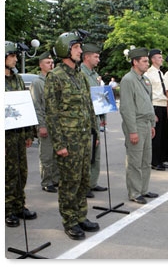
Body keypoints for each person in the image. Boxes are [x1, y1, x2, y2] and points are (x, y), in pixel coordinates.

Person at [44, 30, 100, 240]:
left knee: (83, 180)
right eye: (76, 47)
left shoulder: (80, 75)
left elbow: (88, 106)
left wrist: (94, 133)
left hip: (84, 138)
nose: (80, 51)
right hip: (68, 140)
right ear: (65, 50)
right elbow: (52, 113)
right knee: (69, 182)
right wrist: (59, 144)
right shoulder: (55, 77)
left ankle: (80, 216)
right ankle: (69, 221)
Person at [119, 47, 158, 205]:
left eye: (147, 61)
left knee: (146, 160)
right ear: (135, 62)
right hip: (135, 124)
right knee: (135, 161)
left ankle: (143, 189)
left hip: (146, 123)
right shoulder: (128, 80)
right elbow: (126, 108)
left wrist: (152, 124)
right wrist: (132, 131)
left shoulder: (145, 79)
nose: (147, 63)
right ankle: (134, 192)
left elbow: (149, 103)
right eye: (144, 61)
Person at [5, 41, 37, 227]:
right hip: (6, 136)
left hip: (18, 134)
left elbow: (25, 105)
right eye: (12, 56)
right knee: (8, 173)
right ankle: (7, 209)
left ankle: (19, 205)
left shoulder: (16, 79)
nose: (16, 59)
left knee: (21, 171)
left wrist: (29, 133)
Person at [30, 51, 60, 193]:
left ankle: (55, 179)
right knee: (47, 155)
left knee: (57, 153)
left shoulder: (55, 80)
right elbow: (37, 105)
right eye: (48, 63)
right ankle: (46, 181)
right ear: (41, 65)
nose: (51, 64)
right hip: (46, 123)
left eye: (52, 62)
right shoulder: (37, 83)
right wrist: (41, 126)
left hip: (57, 123)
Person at [80, 43, 108, 198]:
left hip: (96, 117)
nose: (98, 59)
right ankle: (84, 185)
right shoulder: (81, 74)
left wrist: (103, 116)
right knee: (87, 154)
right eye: (96, 56)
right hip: (86, 119)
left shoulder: (94, 74)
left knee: (95, 152)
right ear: (86, 57)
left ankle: (92, 182)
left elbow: (100, 96)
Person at [145, 49, 168, 171]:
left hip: (163, 104)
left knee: (163, 135)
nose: (162, 59)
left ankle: (160, 159)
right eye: (159, 57)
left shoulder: (161, 73)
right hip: (155, 105)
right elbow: (148, 94)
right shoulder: (149, 74)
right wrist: (151, 111)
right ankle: (154, 161)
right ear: (153, 59)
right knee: (156, 135)